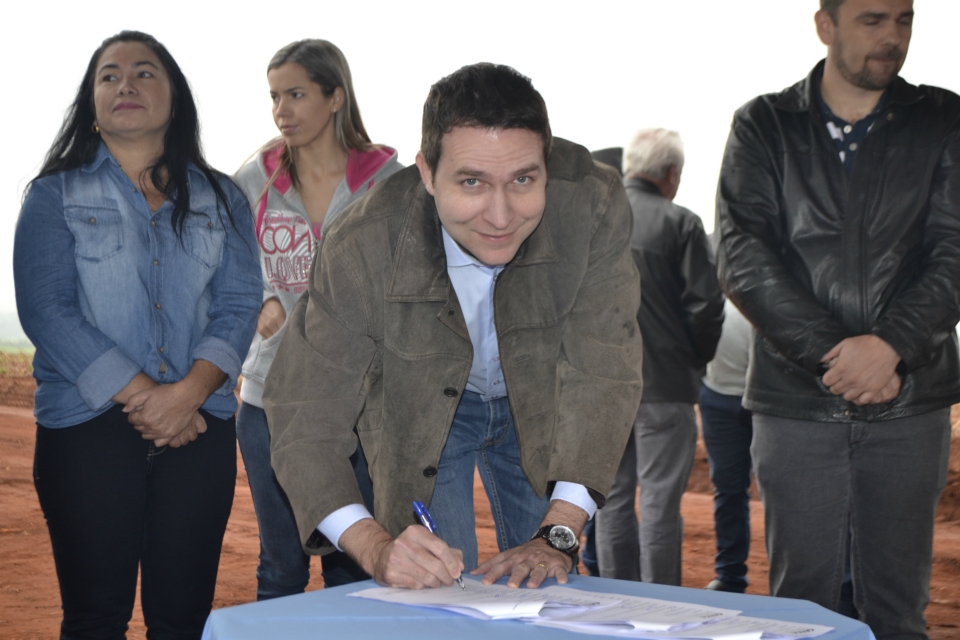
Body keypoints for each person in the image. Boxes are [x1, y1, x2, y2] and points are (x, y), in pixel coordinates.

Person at [263, 62, 644, 590]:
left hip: (541, 397)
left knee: (547, 581)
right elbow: (305, 416)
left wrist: (559, 532)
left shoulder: (593, 207)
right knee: (431, 582)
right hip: (418, 404)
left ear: (547, 166)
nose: (500, 213)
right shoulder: (360, 245)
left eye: (524, 180)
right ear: (426, 173)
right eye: (471, 182)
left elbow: (603, 371)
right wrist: (377, 550)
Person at [716, 0, 960, 636]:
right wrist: (838, 355)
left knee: (899, 609)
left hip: (911, 399)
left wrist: (892, 348)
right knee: (799, 610)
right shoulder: (763, 124)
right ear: (825, 26)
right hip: (796, 401)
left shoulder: (945, 117)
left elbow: (955, 248)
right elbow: (743, 256)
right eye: (873, 20)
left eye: (904, 20)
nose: (893, 37)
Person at [13, 31, 261, 639]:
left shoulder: (221, 196)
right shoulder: (53, 194)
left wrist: (188, 394)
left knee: (182, 620)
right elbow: (47, 309)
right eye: (109, 75)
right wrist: (153, 396)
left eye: (145, 72)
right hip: (85, 425)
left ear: (174, 99)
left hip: (199, 427)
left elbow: (238, 302)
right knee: (95, 618)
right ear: (90, 103)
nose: (126, 83)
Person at [234, 39, 401, 598]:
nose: (282, 110)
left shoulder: (387, 182)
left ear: (335, 97)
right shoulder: (254, 180)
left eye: (297, 94)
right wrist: (259, 297)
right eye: (275, 96)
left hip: (357, 406)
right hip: (268, 399)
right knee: (280, 565)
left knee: (352, 568)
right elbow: (223, 262)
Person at [595, 129, 724, 586]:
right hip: (665, 389)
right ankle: (660, 605)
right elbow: (706, 307)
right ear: (671, 174)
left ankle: (614, 598)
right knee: (659, 507)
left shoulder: (595, 222)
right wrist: (694, 361)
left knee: (610, 502)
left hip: (603, 391)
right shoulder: (681, 223)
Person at [699, 300, 753, 593]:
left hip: (773, 399)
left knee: (787, 497)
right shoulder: (711, 266)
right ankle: (730, 576)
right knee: (728, 490)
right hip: (718, 395)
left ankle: (796, 584)